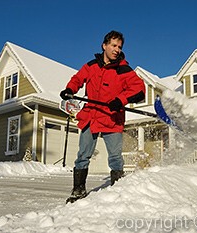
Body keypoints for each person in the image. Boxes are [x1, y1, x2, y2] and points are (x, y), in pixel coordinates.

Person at [60, 30, 145, 203]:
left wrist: (120, 100)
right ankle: (78, 190)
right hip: (91, 115)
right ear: (104, 45)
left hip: (112, 118)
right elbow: (78, 79)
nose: (116, 50)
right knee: (83, 155)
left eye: (119, 47)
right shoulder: (91, 66)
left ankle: (117, 189)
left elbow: (139, 89)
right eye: (113, 45)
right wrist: (70, 90)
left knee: (114, 156)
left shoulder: (124, 69)